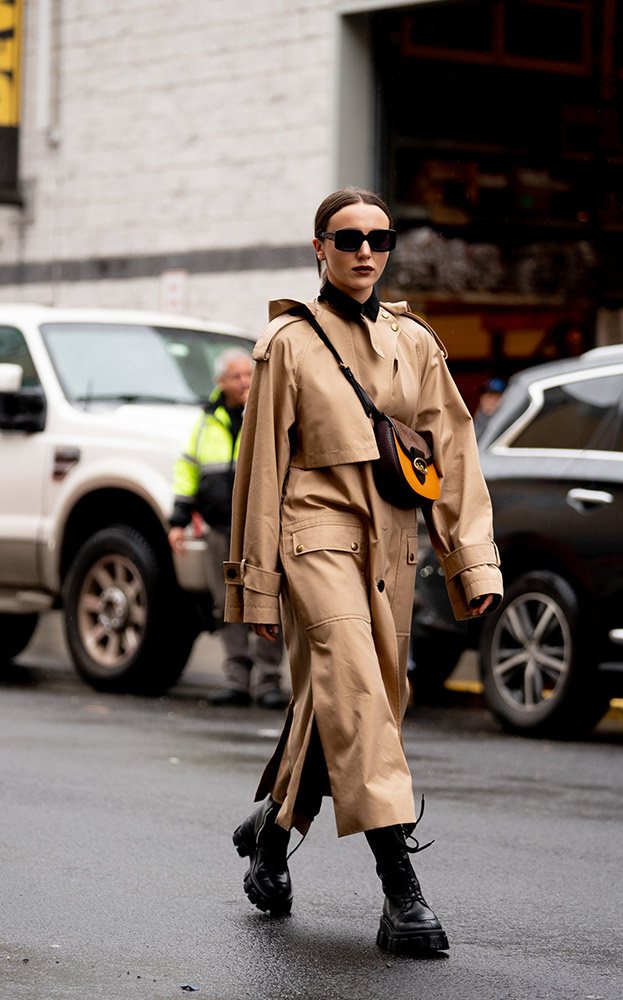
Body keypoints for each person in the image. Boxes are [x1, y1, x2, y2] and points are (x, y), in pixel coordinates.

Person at [224, 188, 503, 955]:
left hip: (394, 546)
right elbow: (260, 469)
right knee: (354, 691)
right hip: (312, 540)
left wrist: (469, 561)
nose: (364, 251)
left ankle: (271, 832)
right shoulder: (288, 341)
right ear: (319, 247)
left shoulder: (414, 341)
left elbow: (452, 453)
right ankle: (400, 893)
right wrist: (255, 583)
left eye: (377, 238)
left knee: (359, 701)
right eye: (346, 238)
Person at [168, 348, 287, 709]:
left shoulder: (269, 411)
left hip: (262, 529)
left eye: (248, 375)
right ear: (221, 382)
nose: (245, 382)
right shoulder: (208, 421)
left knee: (266, 601)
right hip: (220, 529)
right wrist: (178, 519)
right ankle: (236, 679)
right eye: (236, 377)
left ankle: (268, 681)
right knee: (226, 606)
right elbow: (188, 469)